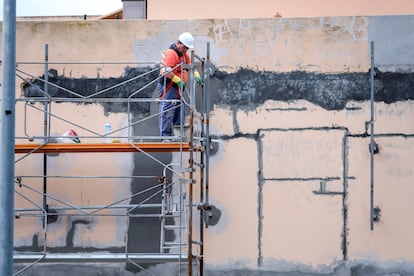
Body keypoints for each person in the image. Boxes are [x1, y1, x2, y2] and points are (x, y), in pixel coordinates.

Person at [157, 32, 204, 138]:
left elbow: (190, 65)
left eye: (187, 48)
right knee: (168, 109)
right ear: (179, 43)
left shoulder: (183, 55)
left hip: (177, 87)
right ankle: (166, 136)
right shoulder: (171, 53)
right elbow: (165, 70)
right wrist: (177, 80)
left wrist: (196, 74)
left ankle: (179, 135)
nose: (185, 50)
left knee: (179, 110)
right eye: (185, 48)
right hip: (168, 85)